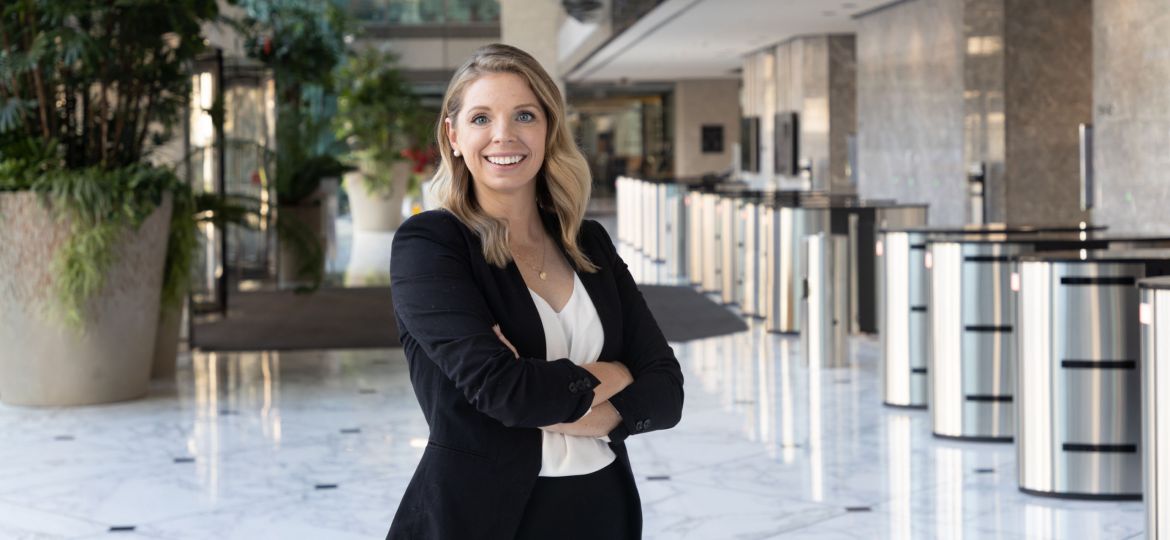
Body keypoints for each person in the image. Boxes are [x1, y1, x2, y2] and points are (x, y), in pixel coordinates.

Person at [386, 43, 685, 540]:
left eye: (524, 115)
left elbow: (667, 392)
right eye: (481, 118)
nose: (503, 135)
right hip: (479, 518)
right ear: (453, 135)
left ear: (548, 129)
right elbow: (504, 391)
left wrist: (541, 396)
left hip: (602, 509)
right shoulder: (431, 244)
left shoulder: (588, 242)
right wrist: (617, 373)